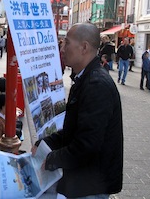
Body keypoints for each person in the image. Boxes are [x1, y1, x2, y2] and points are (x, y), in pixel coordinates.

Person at [31, 23, 123, 198]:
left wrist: (50, 159)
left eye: (66, 43)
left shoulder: (96, 85)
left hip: (91, 186)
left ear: (84, 47)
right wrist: (45, 143)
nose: (62, 49)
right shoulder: (83, 78)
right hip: (81, 180)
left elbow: (87, 145)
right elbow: (74, 130)